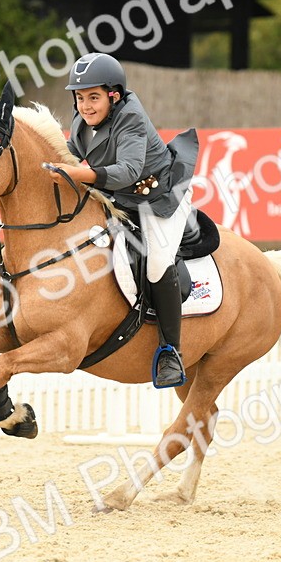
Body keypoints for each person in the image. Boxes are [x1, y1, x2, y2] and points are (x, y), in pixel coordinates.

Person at [45, 52, 198, 388]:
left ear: (114, 96)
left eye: (94, 97)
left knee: (157, 262)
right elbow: (72, 151)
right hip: (125, 196)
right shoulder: (84, 119)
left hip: (163, 196)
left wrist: (78, 173)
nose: (85, 106)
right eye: (80, 98)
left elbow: (128, 170)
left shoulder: (130, 118)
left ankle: (171, 350)